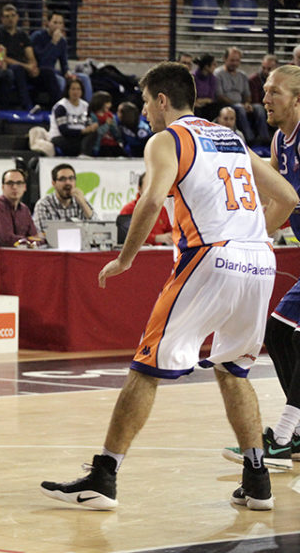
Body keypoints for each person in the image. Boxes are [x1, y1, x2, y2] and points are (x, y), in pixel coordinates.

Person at [40, 61, 298, 511]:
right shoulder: (230, 137)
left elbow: (152, 199)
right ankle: (258, 481)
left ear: (162, 101)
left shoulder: (168, 139)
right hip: (260, 261)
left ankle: (104, 477)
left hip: (210, 256)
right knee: (233, 369)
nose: (144, 112)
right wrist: (252, 235)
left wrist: (125, 259)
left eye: (145, 102)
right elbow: (290, 197)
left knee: (147, 366)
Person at [221, 64, 300, 470]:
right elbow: (273, 193)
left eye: (274, 92)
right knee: (279, 331)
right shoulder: (280, 140)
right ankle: (294, 434)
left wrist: (251, 236)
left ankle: (284, 436)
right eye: (265, 90)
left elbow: (286, 203)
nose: (264, 98)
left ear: (298, 100)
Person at [0, 168, 40, 284]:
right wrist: (31, 242)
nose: (15, 187)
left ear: (25, 187)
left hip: (18, 259)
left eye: (19, 183)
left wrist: (34, 241)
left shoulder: (24, 209)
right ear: (3, 187)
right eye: (10, 183)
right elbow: (7, 240)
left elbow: (35, 236)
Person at [31, 11, 90, 104]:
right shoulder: (38, 36)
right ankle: (64, 106)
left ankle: (86, 107)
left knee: (84, 78)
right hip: (40, 72)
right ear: (48, 23)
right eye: (55, 23)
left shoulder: (62, 41)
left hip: (54, 71)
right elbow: (42, 60)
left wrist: (67, 72)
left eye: (60, 23)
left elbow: (64, 63)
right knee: (61, 81)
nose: (57, 26)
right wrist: (53, 43)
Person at [216, 46, 266, 145]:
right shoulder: (218, 74)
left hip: (241, 104)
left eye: (237, 60)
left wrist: (247, 103)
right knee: (240, 108)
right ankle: (249, 139)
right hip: (226, 104)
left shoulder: (242, 75)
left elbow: (247, 94)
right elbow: (219, 95)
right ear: (225, 59)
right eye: (232, 60)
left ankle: (264, 138)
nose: (234, 63)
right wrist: (239, 104)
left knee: (259, 108)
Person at [0, 4, 39, 110]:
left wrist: (33, 66)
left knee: (47, 73)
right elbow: (2, 57)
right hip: (9, 66)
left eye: (13, 16)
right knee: (18, 69)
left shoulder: (22, 34)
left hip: (23, 66)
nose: (10, 19)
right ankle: (27, 105)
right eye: (7, 16)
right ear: (2, 19)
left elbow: (30, 55)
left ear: (17, 17)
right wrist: (26, 66)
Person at [32, 162, 96, 233]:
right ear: (53, 183)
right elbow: (44, 234)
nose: (68, 182)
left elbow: (98, 229)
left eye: (71, 178)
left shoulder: (81, 201)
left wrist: (83, 204)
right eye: (62, 179)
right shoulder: (44, 205)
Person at [117, 172, 171, 246]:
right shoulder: (129, 210)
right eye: (148, 186)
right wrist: (156, 238)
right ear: (139, 189)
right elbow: (127, 237)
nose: (153, 190)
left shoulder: (163, 210)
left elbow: (170, 232)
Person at [47, 78, 93, 156]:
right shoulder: (61, 107)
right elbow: (64, 130)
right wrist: (82, 131)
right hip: (61, 137)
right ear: (68, 90)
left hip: (79, 137)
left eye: (78, 89)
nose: (76, 92)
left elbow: (89, 124)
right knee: (78, 143)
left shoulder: (85, 106)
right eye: (73, 89)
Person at [88, 90, 124, 157]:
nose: (110, 105)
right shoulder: (93, 116)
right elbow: (98, 133)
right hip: (100, 145)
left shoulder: (110, 115)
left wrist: (119, 141)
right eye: (107, 102)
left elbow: (115, 133)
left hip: (112, 143)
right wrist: (107, 124)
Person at [193, 53, 221, 122]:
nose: (216, 66)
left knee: (217, 107)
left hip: (206, 105)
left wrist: (201, 100)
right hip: (194, 105)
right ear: (206, 66)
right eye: (213, 64)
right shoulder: (193, 77)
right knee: (196, 111)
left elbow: (211, 98)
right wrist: (199, 101)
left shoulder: (212, 78)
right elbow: (192, 97)